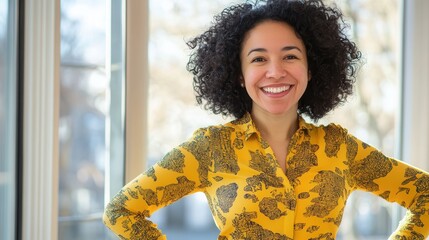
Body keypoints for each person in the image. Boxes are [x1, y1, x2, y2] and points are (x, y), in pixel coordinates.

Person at [103, 0, 429, 239]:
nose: (276, 71)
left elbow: (424, 193)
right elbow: (122, 211)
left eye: (290, 56)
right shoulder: (209, 149)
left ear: (312, 68)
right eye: (259, 59)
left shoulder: (340, 148)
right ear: (240, 75)